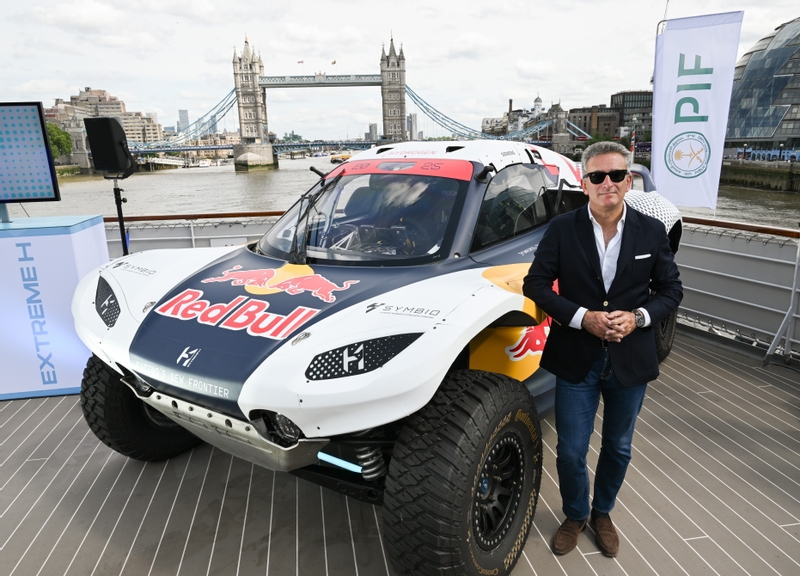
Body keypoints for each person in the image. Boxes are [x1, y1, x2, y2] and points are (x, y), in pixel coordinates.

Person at [523, 141, 682, 558]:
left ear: (629, 181)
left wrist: (639, 318)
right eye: (597, 176)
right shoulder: (562, 228)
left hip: (631, 358)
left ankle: (602, 513)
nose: (606, 183)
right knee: (572, 449)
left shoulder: (651, 230)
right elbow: (535, 285)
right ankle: (575, 514)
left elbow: (671, 289)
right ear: (584, 181)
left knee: (618, 446)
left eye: (616, 175)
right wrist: (581, 317)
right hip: (577, 356)